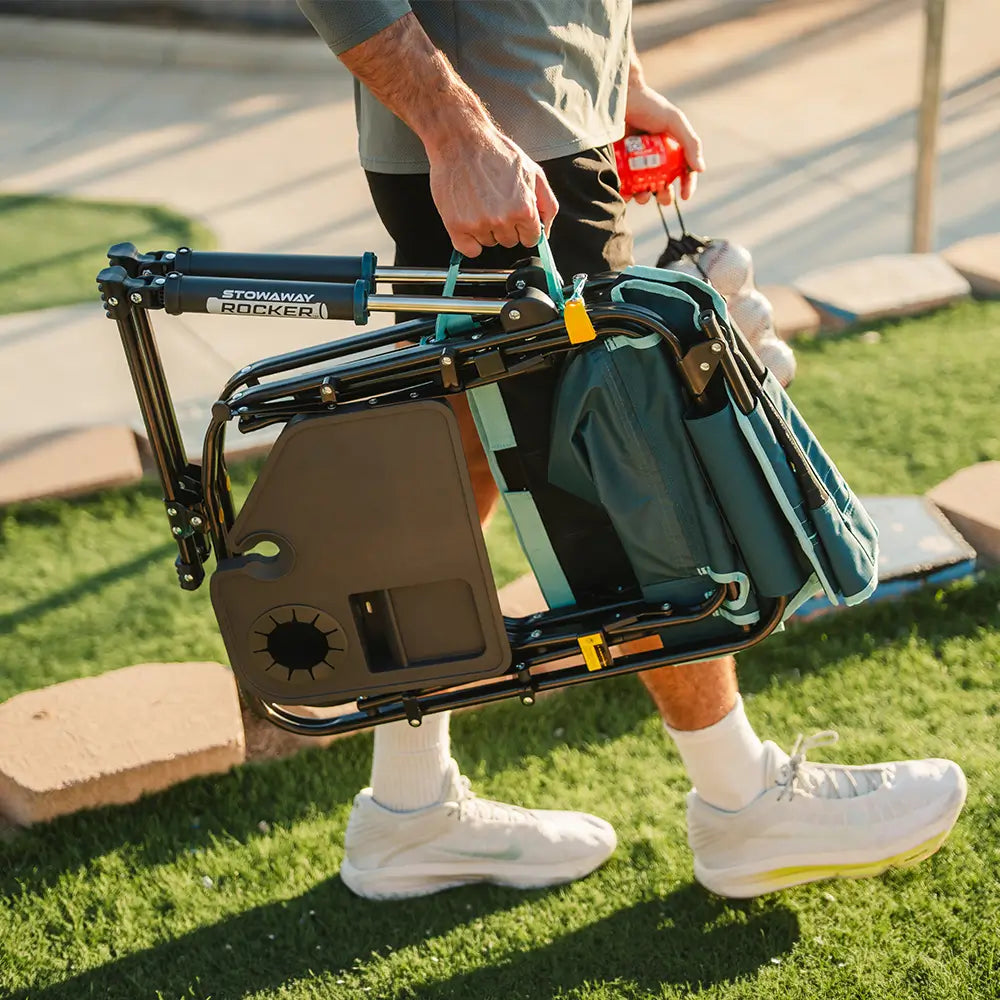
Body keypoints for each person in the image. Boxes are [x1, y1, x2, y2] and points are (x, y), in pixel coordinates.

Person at [296, 0, 967, 901]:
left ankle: (408, 809)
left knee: (458, 461)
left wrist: (620, 75)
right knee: (623, 468)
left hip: (533, 117)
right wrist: (456, 130)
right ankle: (740, 800)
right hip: (501, 141)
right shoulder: (479, 135)